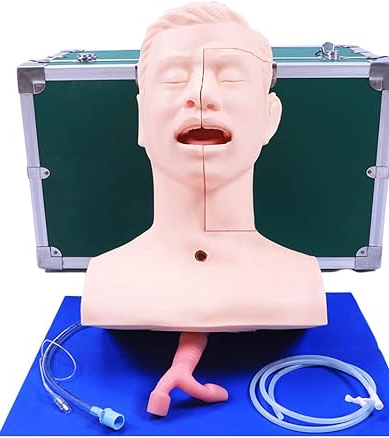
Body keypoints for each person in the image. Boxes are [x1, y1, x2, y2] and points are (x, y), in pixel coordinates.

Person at [81, 1, 327, 416]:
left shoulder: (300, 282)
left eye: (231, 78)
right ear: (141, 118)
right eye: (173, 78)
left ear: (270, 119)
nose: (200, 95)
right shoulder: (107, 280)